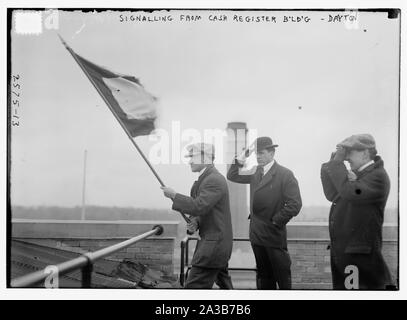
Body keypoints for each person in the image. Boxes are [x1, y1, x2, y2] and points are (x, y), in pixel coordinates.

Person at [227, 136, 302, 289]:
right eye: (256, 154)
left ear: (272, 153)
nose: (258, 157)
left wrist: (275, 222)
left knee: (282, 278)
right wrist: (243, 157)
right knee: (264, 278)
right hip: (256, 234)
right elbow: (232, 175)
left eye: (261, 153)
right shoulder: (255, 173)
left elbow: (295, 204)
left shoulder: (284, 174)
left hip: (273, 235)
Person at [320, 134, 393, 289]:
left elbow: (350, 193)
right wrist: (333, 162)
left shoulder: (377, 176)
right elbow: (332, 194)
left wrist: (338, 165)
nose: (346, 158)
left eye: (349, 153)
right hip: (347, 254)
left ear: (365, 153)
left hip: (360, 257)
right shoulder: (358, 176)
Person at [161, 143, 233, 289]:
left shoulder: (214, 179)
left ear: (206, 158)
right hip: (217, 245)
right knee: (226, 287)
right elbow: (205, 210)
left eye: (193, 157)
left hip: (212, 248)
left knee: (193, 288)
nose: (189, 161)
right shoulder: (204, 180)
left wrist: (174, 195)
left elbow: (199, 206)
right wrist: (196, 222)